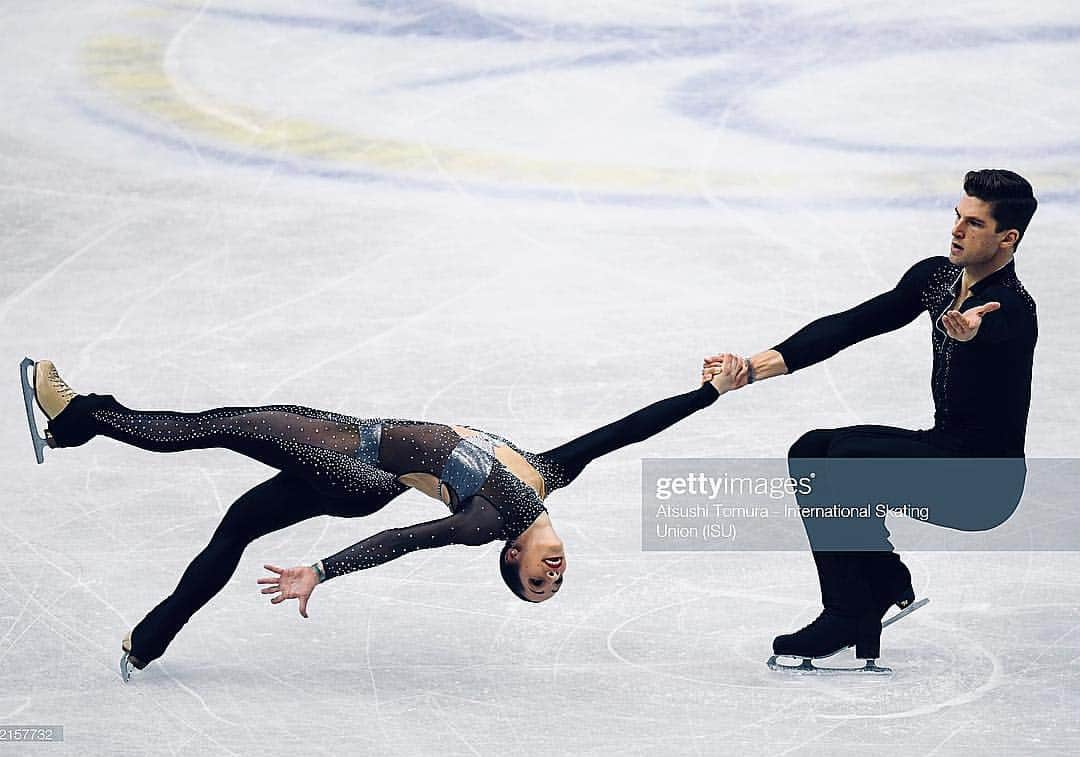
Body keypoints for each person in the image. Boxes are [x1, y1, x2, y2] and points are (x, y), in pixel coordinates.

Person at [21, 354, 748, 680]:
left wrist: (323, 569)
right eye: (552, 582)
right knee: (237, 524)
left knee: (225, 423)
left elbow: (402, 539)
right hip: (357, 443)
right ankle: (149, 639)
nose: (550, 578)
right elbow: (630, 429)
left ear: (509, 561)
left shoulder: (490, 520)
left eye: (535, 585)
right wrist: (708, 394)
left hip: (358, 468)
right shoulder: (548, 475)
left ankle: (78, 413)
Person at [703, 169, 1038, 670]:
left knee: (845, 462)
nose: (956, 231)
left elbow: (993, 329)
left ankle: (851, 608)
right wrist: (754, 368)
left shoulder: (1012, 307)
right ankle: (879, 583)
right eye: (957, 217)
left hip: (984, 482)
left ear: (1006, 238)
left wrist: (971, 333)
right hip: (945, 449)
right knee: (813, 450)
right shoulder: (937, 279)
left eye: (973, 223)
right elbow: (851, 325)